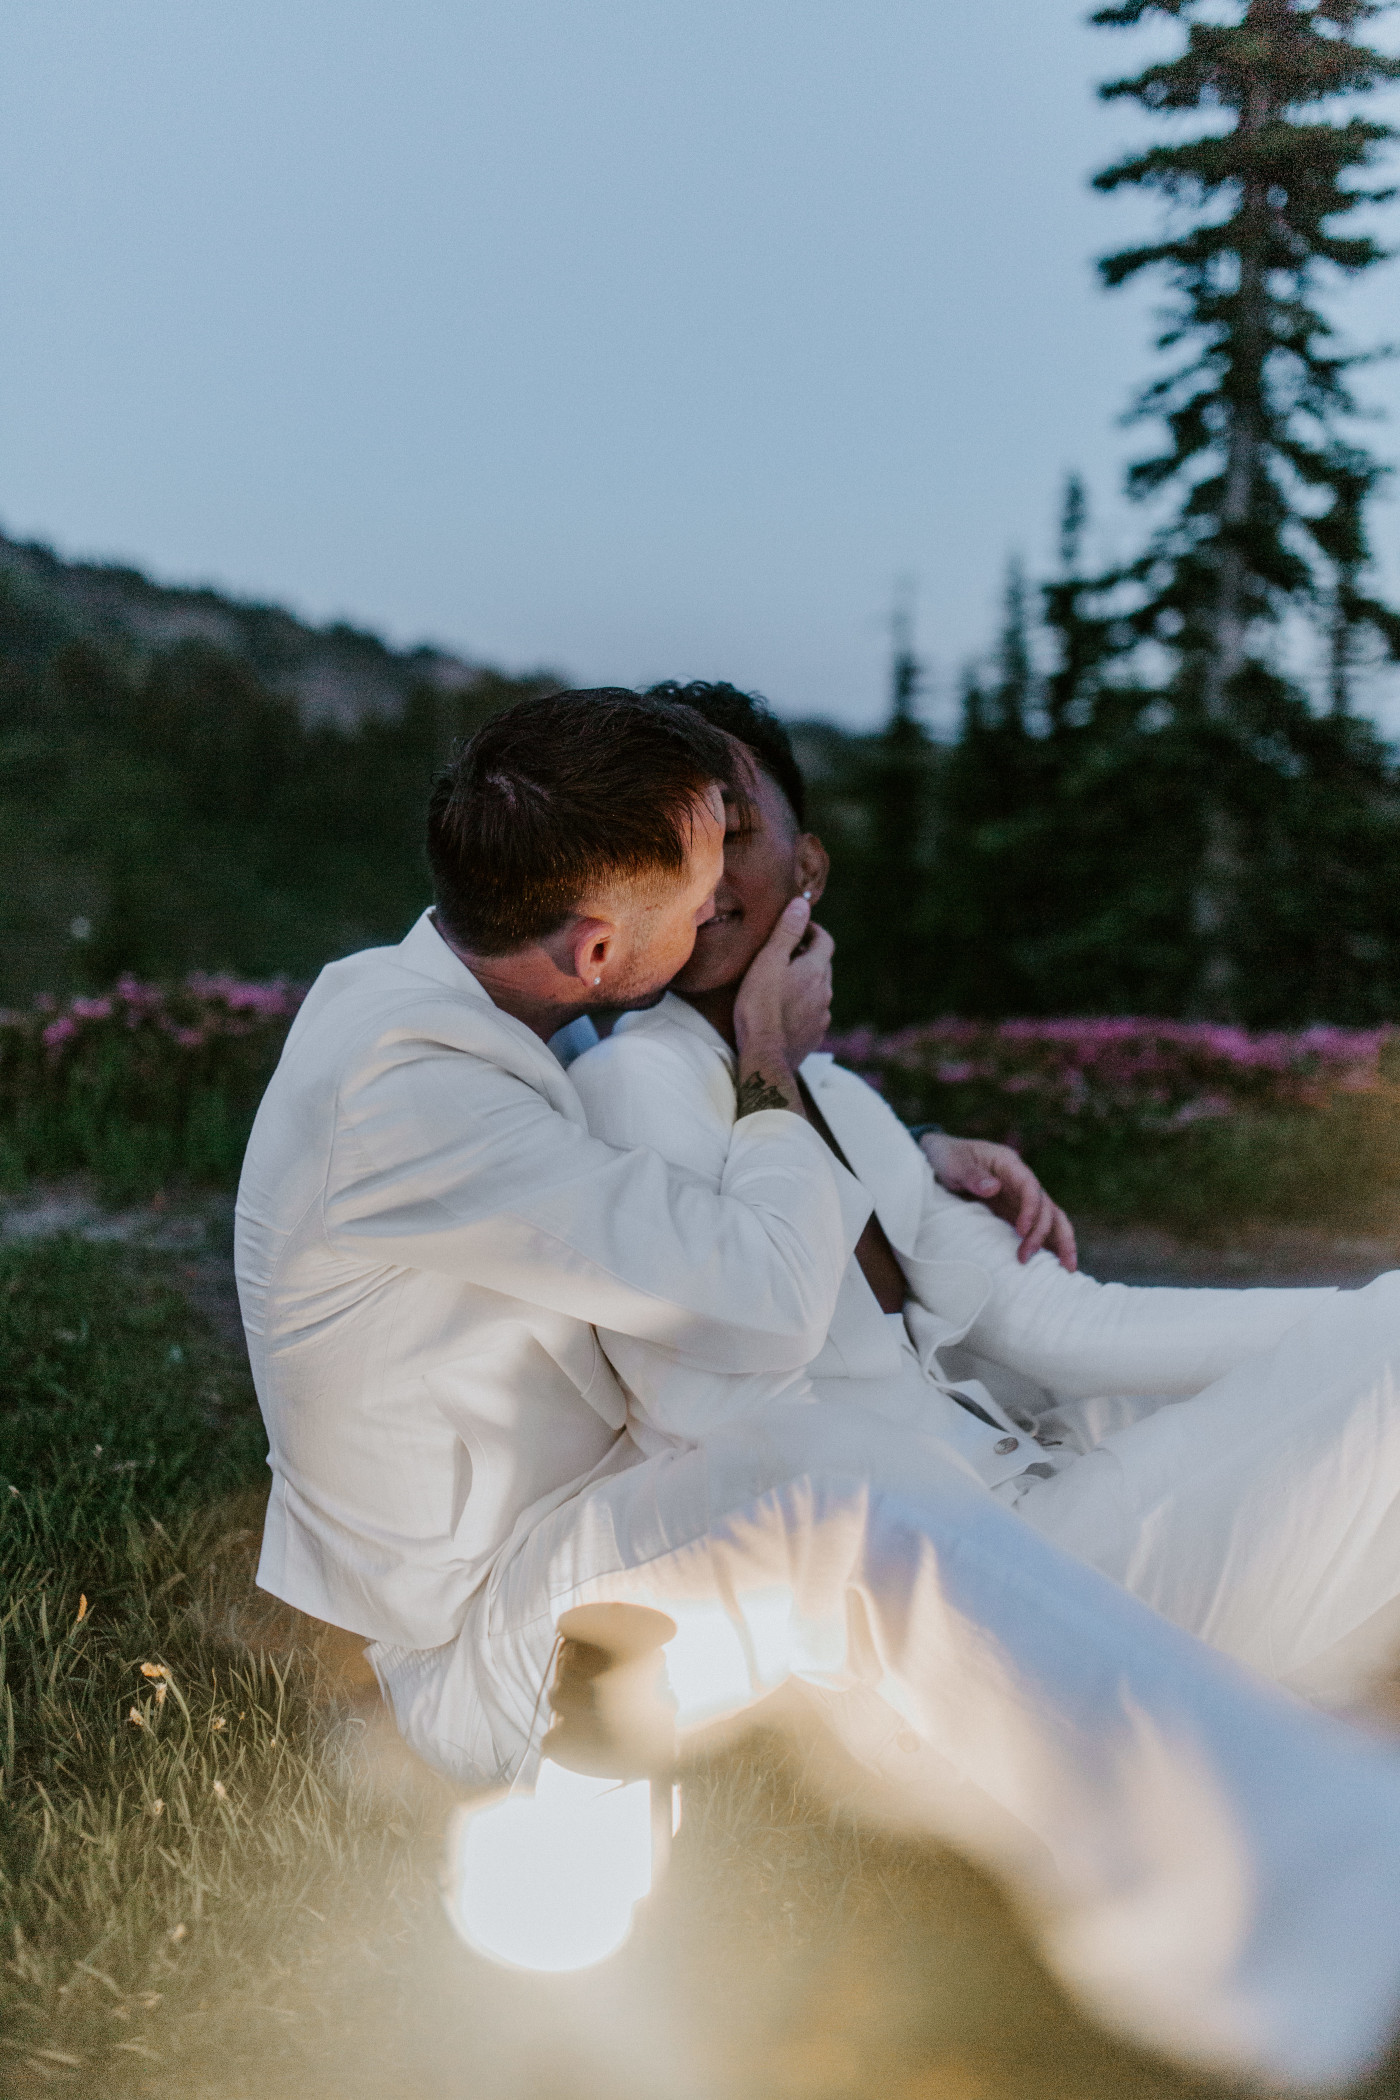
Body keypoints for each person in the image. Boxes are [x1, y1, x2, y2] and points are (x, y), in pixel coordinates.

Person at [238, 685, 1400, 2091]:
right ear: (604, 944)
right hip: (494, 1636)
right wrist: (779, 1073)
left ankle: (1282, 1782)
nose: (724, 879)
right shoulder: (427, 1083)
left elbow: (1011, 1307)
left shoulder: (477, 1016)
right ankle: (1322, 1909)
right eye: (701, 859)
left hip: (639, 1530)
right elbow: (750, 1301)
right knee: (831, 1492)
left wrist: (880, 1133)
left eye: (741, 839)